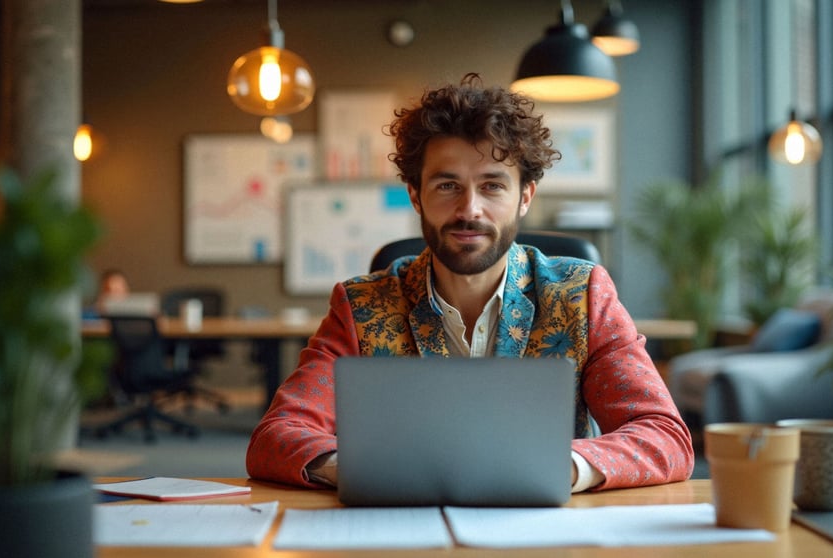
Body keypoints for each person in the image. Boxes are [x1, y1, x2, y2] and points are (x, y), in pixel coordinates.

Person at [246, 74, 694, 492]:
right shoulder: (361, 304)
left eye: (492, 186)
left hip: (546, 536)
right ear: (416, 196)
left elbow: (665, 437)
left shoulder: (582, 294)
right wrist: (361, 468)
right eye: (447, 186)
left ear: (524, 197)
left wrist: (561, 466)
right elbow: (276, 437)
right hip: (400, 531)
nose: (469, 209)